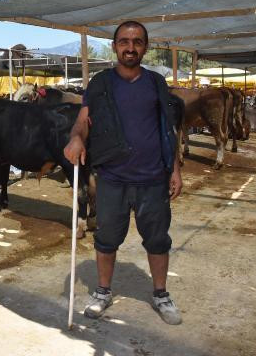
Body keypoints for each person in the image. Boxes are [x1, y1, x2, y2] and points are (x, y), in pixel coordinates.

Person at [64, 21, 183, 325]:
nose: (131, 47)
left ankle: (160, 294)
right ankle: (103, 292)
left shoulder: (156, 82)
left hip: (153, 179)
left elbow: (168, 130)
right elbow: (83, 120)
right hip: (112, 179)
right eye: (124, 42)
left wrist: (175, 169)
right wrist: (76, 137)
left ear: (146, 46)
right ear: (115, 45)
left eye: (138, 42)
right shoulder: (101, 83)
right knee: (106, 239)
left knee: (157, 240)